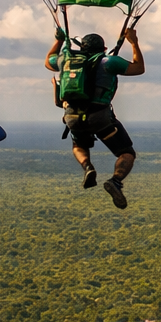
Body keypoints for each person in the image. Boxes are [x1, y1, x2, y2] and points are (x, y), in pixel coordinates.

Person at [46, 29, 144, 209]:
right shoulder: (109, 61)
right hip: (100, 117)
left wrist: (59, 40)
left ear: (82, 47)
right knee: (126, 153)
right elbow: (138, 68)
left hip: (72, 116)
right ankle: (115, 181)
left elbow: (48, 60)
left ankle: (87, 167)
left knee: (79, 145)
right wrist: (133, 42)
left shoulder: (66, 60)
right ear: (104, 48)